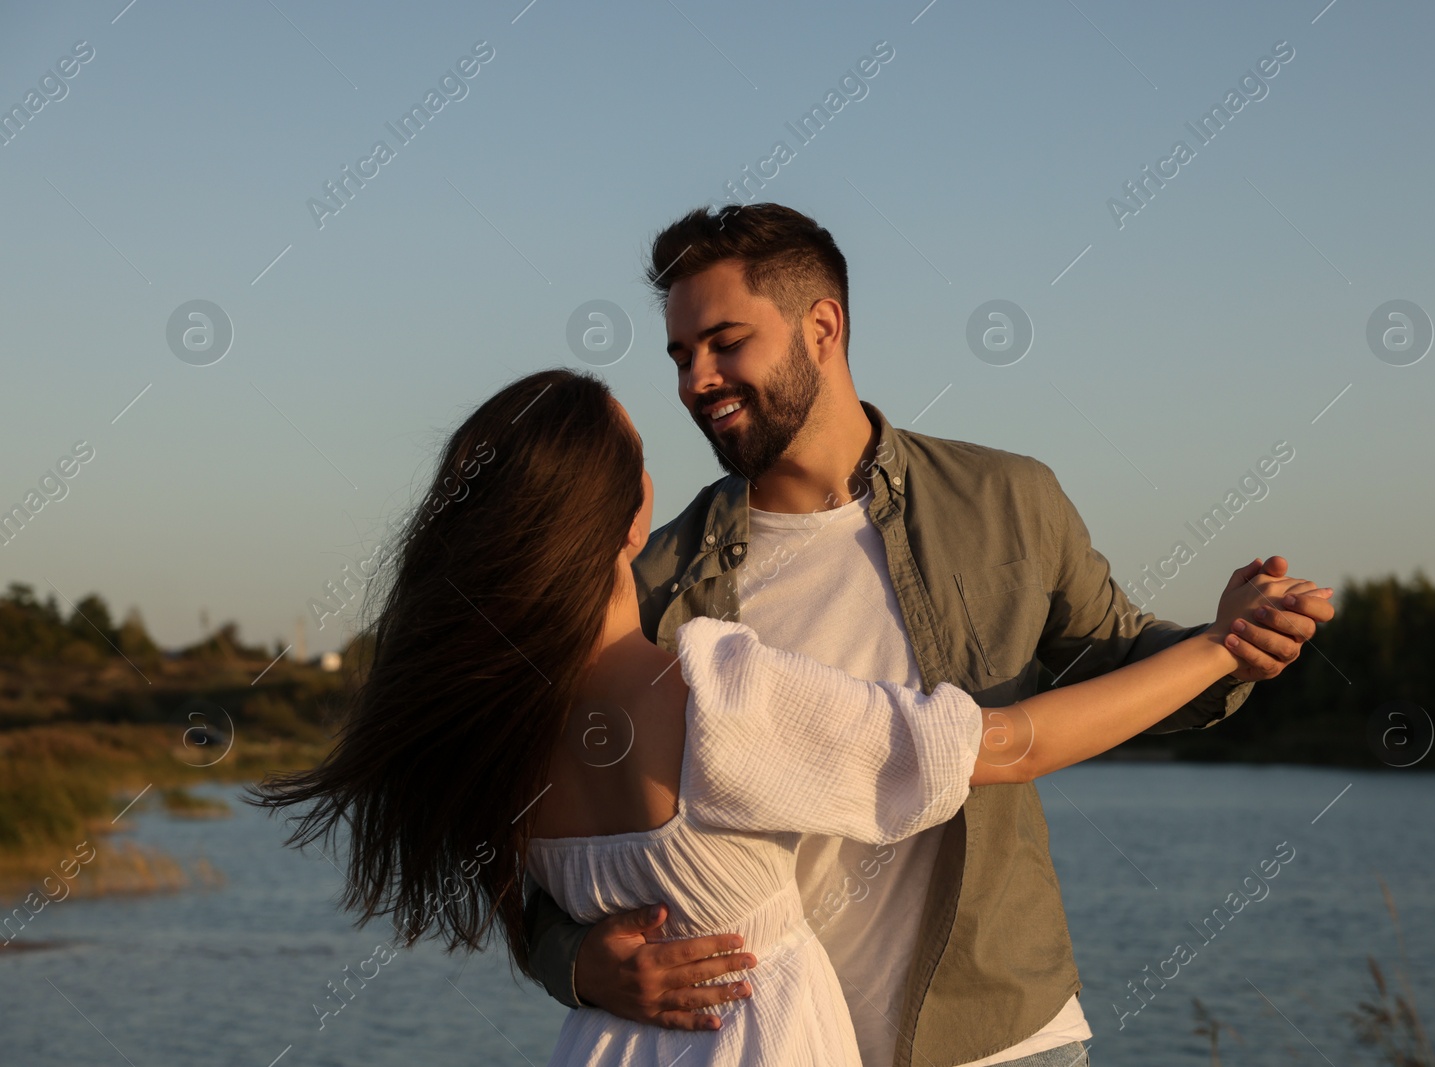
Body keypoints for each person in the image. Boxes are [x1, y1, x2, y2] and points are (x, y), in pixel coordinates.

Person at [249, 368, 1330, 1066]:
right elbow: (1014, 741)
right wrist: (1219, 644)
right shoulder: (711, 690)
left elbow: (524, 908)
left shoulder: (503, 726)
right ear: (626, 518)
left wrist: (583, 967)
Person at [522, 203, 1336, 1067]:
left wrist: (1230, 640)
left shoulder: (1008, 501)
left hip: (1002, 1039)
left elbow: (1117, 661)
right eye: (682, 356)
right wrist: (574, 963)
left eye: (725, 342)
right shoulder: (654, 582)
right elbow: (542, 840)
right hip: (771, 1045)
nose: (697, 379)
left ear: (823, 326)